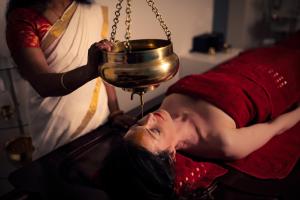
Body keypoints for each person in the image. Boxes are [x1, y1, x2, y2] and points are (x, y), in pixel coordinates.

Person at [98, 34, 300, 200]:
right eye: (154, 131)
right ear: (171, 154)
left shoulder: (152, 129)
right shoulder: (223, 141)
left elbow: (108, 75)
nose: (149, 117)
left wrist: (104, 60)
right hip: (281, 73)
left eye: (139, 124)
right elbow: (277, 126)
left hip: (243, 62)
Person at [5, 0, 135, 159]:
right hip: (56, 131)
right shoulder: (23, 19)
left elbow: (103, 65)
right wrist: (89, 71)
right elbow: (42, 84)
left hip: (100, 123)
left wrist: (115, 112)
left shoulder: (91, 11)